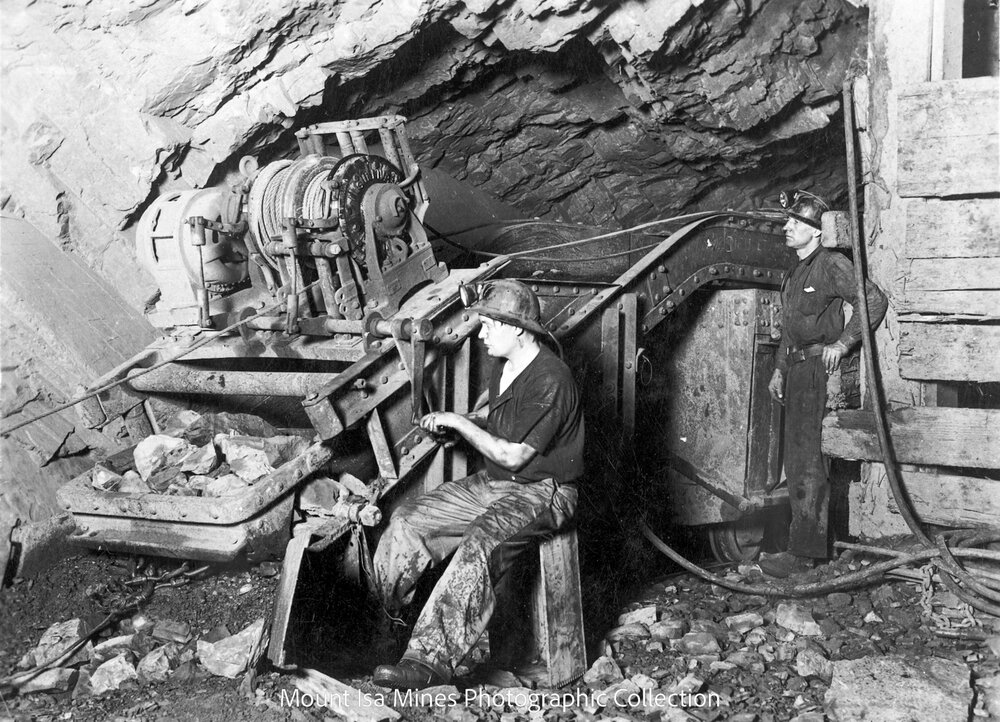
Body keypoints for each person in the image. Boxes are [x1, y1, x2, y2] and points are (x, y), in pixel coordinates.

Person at [371, 279, 585, 689]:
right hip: (498, 482)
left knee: (482, 540)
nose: (481, 332)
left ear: (519, 329)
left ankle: (429, 660)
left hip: (545, 490)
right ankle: (388, 632)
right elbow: (500, 421)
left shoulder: (551, 379)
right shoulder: (504, 365)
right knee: (408, 520)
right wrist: (459, 424)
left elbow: (513, 453)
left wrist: (459, 423)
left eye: (490, 325)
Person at [760, 191, 888, 578]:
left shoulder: (831, 264)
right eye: (788, 222)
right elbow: (788, 330)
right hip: (796, 369)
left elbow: (872, 299)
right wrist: (779, 368)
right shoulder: (794, 271)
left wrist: (844, 341)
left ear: (816, 233)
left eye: (796, 223)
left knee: (808, 461)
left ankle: (806, 554)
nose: (787, 227)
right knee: (796, 460)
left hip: (818, 370)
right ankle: (809, 544)